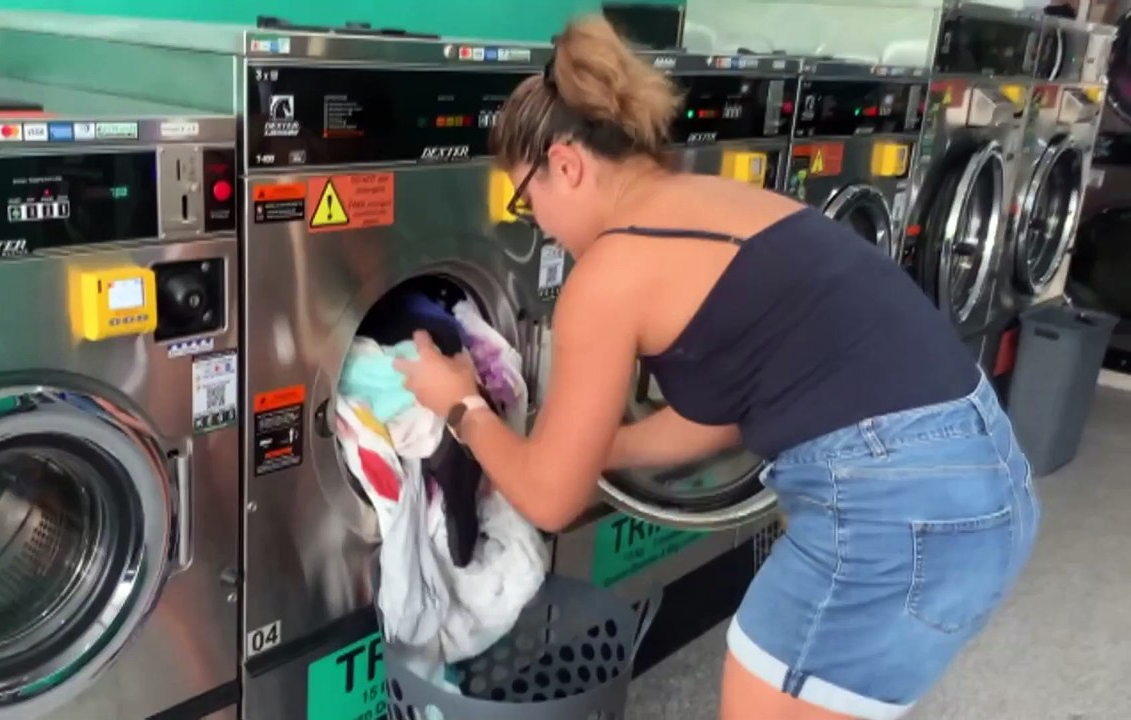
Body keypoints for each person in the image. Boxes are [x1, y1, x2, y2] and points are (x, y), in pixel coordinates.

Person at [394, 15, 1039, 720]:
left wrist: (461, 406)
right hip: (985, 484)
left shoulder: (611, 271)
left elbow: (549, 502)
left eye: (528, 200)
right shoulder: (728, 203)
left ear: (567, 165)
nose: (540, 223)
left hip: (892, 510)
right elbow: (725, 414)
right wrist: (583, 448)